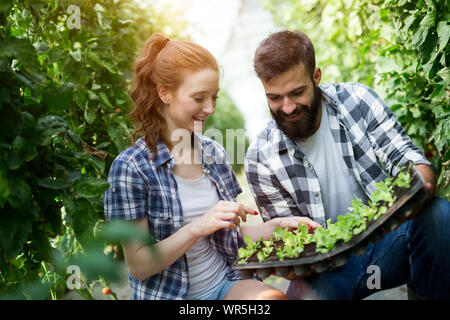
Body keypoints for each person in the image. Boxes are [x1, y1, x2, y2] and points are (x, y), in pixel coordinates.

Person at [103, 33, 312, 300]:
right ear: (164, 93)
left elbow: (231, 237)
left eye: (214, 97)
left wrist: (276, 228)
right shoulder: (131, 168)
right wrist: (198, 226)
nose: (210, 108)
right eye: (199, 98)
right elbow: (140, 265)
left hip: (225, 283)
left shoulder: (214, 152)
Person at [245, 30, 450, 299]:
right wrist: (293, 264)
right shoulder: (260, 158)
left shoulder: (357, 101)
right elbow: (287, 241)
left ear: (316, 77)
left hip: (388, 240)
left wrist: (420, 184)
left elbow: (408, 159)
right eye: (274, 97)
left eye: (297, 92)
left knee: (438, 213)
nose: (288, 107)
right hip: (329, 270)